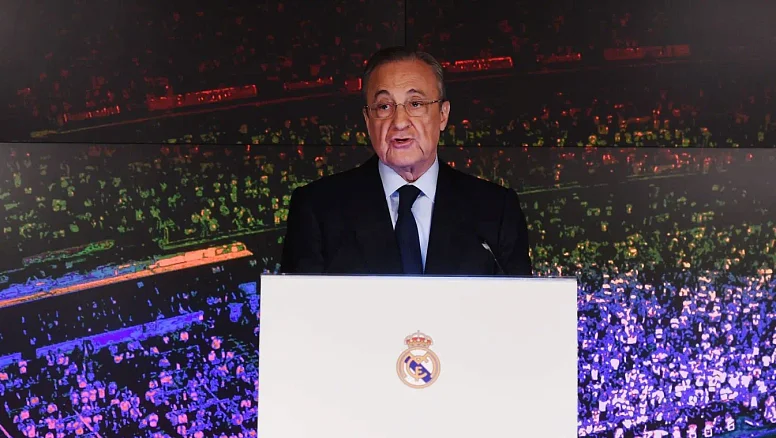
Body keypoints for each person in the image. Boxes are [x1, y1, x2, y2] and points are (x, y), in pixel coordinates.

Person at [280, 46, 531, 276]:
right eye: (384, 107)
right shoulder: (318, 209)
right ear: (367, 120)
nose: (399, 122)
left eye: (416, 103)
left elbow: (520, 307)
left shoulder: (496, 211)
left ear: (443, 115)